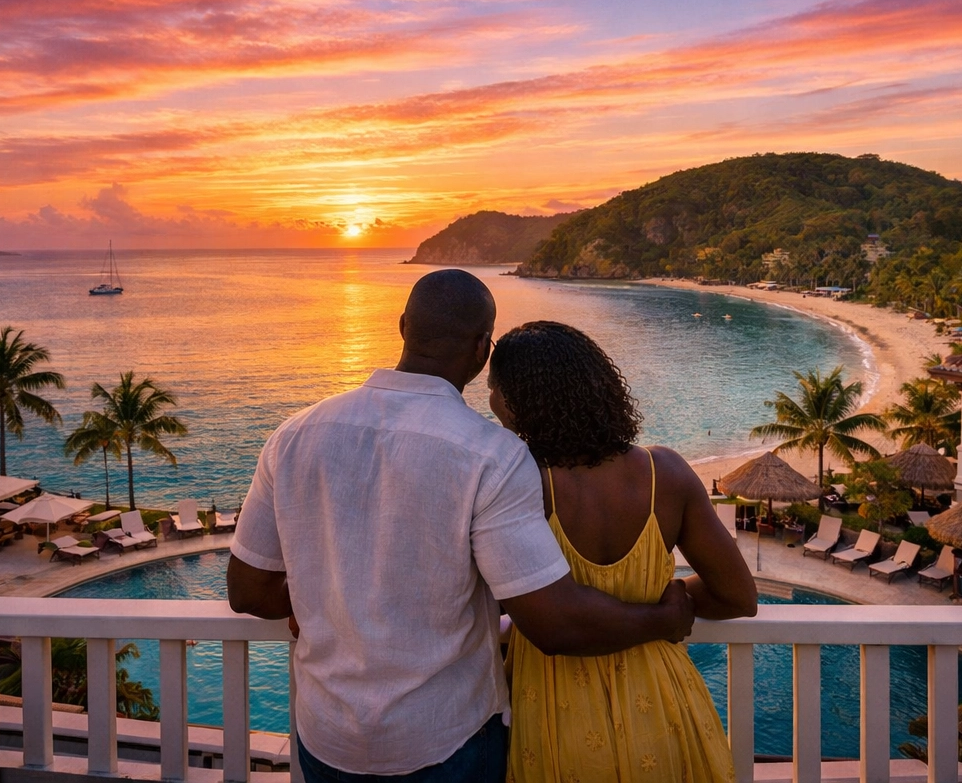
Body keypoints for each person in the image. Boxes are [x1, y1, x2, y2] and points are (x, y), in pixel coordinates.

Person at [226, 270, 695, 782]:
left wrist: (329, 603)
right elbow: (554, 623)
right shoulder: (492, 456)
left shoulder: (293, 435)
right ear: (481, 350)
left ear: (403, 326)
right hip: (447, 737)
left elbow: (248, 591)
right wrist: (663, 620)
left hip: (328, 738)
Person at [489, 320, 757, 782]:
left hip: (556, 714)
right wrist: (660, 601)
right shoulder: (665, 472)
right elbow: (738, 596)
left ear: (516, 400)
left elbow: (501, 603)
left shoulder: (521, 483)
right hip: (664, 704)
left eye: (494, 389)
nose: (490, 399)